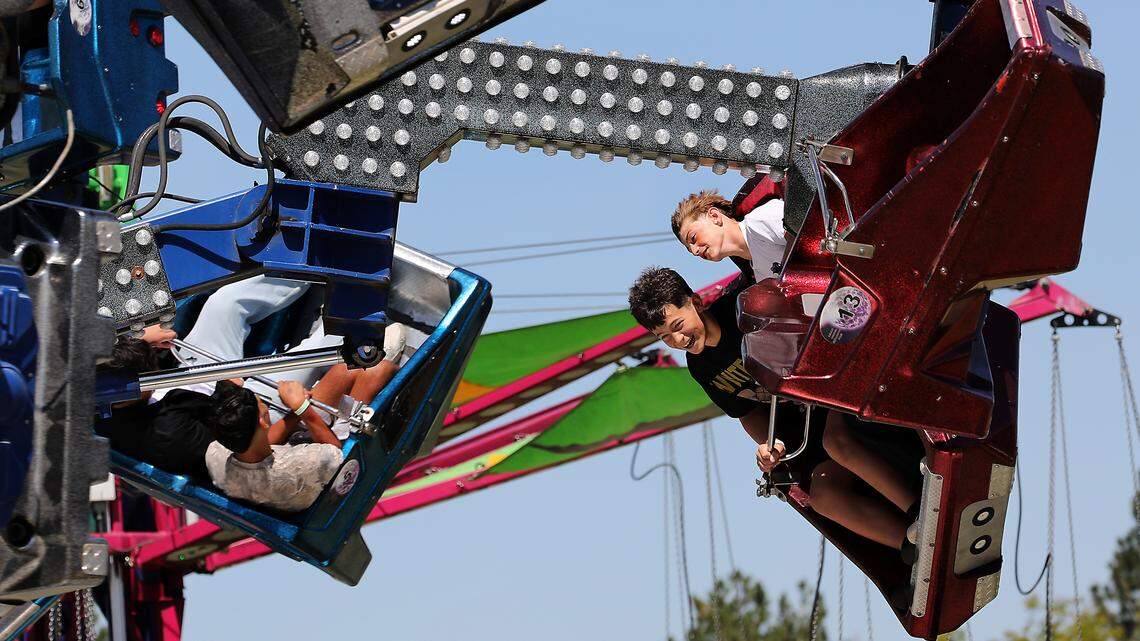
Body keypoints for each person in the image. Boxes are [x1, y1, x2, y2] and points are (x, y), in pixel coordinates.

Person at [627, 267, 922, 557]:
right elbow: (746, 412)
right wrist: (771, 444)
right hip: (812, 433)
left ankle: (920, 512)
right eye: (665, 337)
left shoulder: (745, 311)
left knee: (838, 442)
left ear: (696, 303)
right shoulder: (701, 367)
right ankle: (913, 552)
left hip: (841, 397)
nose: (678, 341)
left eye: (677, 326)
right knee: (823, 496)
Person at [96, 337, 222, 481]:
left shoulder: (94, 415)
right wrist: (228, 388)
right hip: (222, 394)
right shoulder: (173, 421)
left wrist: (142, 340)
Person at [671, 179, 787, 283]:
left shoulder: (760, 221)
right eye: (689, 250)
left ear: (714, 216)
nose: (694, 250)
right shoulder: (760, 274)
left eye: (693, 238)